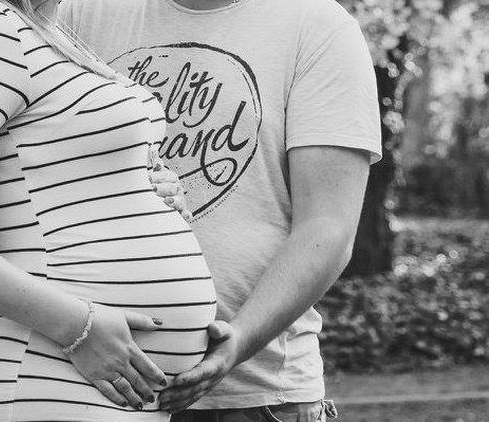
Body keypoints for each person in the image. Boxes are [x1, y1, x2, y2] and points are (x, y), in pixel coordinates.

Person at [0, 0, 216, 420]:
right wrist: (79, 329)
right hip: (39, 375)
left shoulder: (46, 33)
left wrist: (147, 189)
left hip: (105, 390)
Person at [57, 0, 382, 420]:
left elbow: (327, 227)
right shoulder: (77, 13)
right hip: (84, 382)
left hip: (254, 396)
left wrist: (238, 342)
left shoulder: (318, 27)